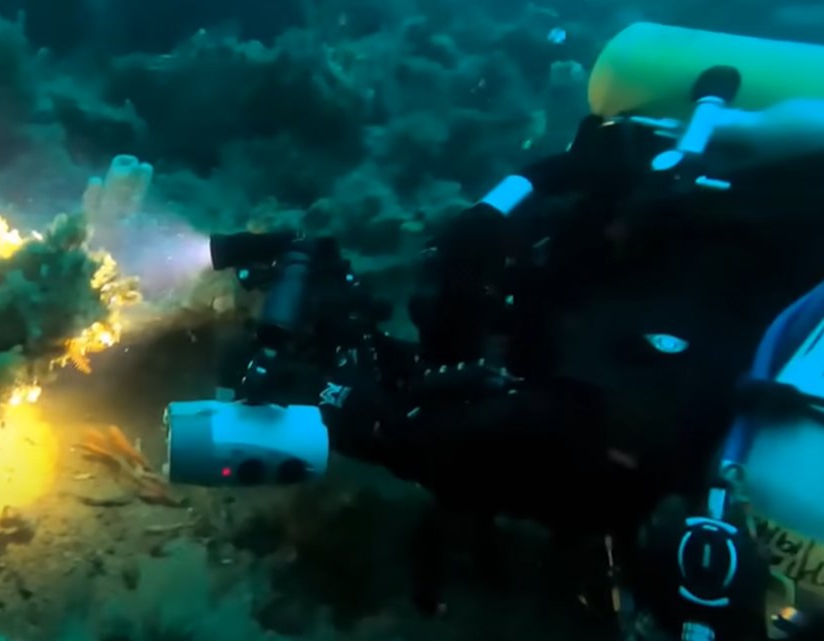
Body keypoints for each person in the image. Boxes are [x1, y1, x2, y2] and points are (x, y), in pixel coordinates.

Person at [306, 99, 824, 636]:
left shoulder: (688, 248)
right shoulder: (695, 220)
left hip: (648, 439)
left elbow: (582, 428)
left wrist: (383, 430)